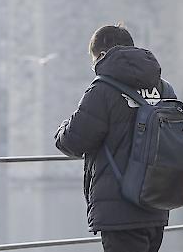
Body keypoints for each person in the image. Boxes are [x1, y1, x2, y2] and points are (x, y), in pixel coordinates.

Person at [54, 25, 174, 252]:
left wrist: (61, 130)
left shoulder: (102, 90)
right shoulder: (164, 89)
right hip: (156, 203)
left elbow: (73, 142)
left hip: (120, 210)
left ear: (101, 55)